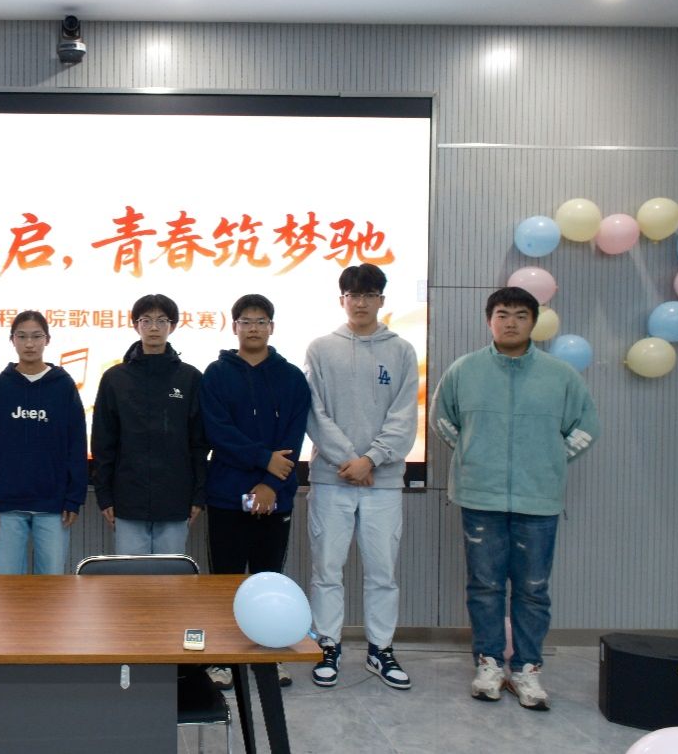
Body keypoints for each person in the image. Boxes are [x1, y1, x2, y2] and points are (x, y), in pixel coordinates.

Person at [432, 286, 599, 710]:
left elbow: (585, 427)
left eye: (521, 315)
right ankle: (488, 664)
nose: (511, 322)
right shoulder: (464, 370)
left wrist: (549, 459)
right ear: (489, 320)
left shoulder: (561, 375)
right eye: (502, 314)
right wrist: (474, 455)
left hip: (538, 500)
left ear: (534, 323)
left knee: (533, 589)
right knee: (485, 586)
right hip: (480, 497)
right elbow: (443, 420)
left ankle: (527, 669)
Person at [304, 264, 419, 690]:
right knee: (326, 569)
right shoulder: (321, 348)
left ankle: (380, 649)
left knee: (382, 572)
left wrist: (370, 460)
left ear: (381, 300)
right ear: (342, 300)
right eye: (353, 295)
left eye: (369, 295)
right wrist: (350, 460)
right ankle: (327, 645)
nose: (361, 302)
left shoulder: (402, 350)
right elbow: (314, 413)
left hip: (382, 483)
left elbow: (405, 416)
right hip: (331, 479)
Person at [200, 293, 311, 689]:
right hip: (226, 494)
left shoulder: (291, 377)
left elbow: (293, 436)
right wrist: (263, 459)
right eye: (246, 321)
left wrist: (270, 483)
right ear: (234, 327)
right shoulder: (216, 374)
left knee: (269, 577)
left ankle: (270, 653)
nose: (253, 328)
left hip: (276, 495)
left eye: (261, 321)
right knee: (225, 579)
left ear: (272, 327)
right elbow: (217, 432)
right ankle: (223, 659)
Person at [91, 294, 208, 555]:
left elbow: (199, 442)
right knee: (132, 576)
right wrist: (104, 495)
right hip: (127, 499)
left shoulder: (190, 378)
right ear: (136, 325)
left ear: (172, 326)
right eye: (146, 320)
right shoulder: (115, 379)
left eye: (161, 320)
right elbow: (103, 442)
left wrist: (198, 495)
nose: (154, 327)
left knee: (172, 576)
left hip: (176, 498)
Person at [0, 311, 88, 574]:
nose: (29, 344)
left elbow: (77, 444)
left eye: (36, 336)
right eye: (22, 336)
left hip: (53, 505)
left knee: (51, 584)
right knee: (8, 586)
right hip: (7, 505)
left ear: (47, 340)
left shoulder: (63, 386)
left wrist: (74, 498)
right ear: (12, 340)